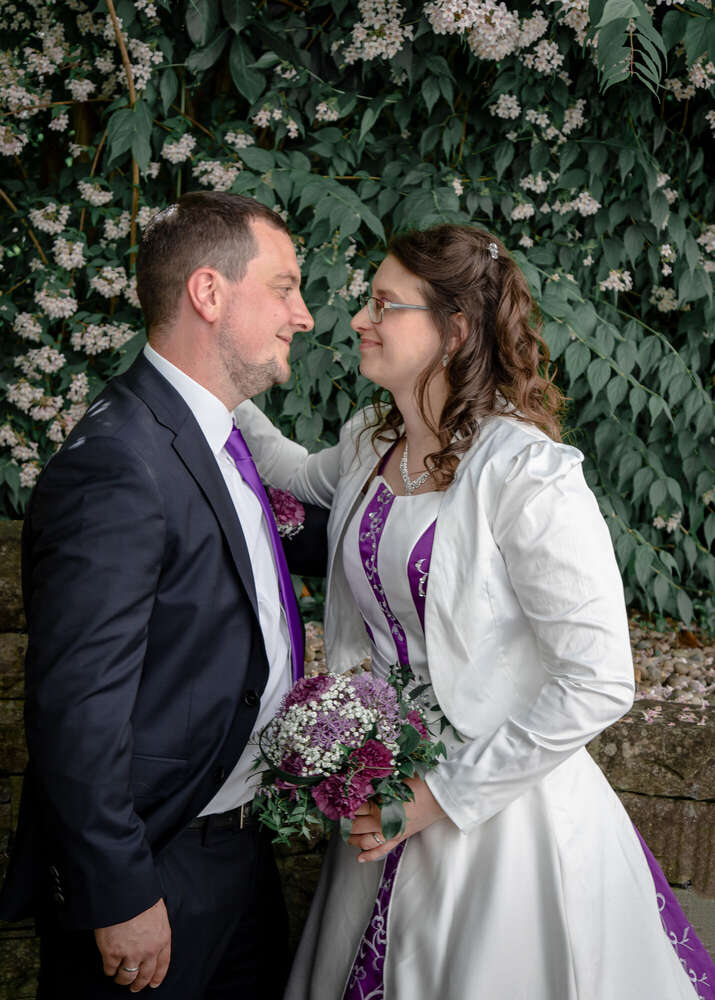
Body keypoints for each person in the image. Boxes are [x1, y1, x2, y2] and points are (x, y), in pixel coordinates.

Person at [234, 224, 704, 998]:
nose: (359, 318)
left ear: (452, 332)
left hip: (500, 820)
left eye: (385, 304)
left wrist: (438, 797)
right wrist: (221, 390)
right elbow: (288, 469)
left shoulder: (528, 473)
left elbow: (598, 679)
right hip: (381, 792)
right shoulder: (368, 442)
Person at [0, 192, 326, 999]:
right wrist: (119, 888)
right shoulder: (118, 460)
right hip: (158, 870)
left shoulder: (217, 434)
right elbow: (77, 702)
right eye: (284, 287)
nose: (306, 316)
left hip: (239, 855)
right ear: (209, 294)